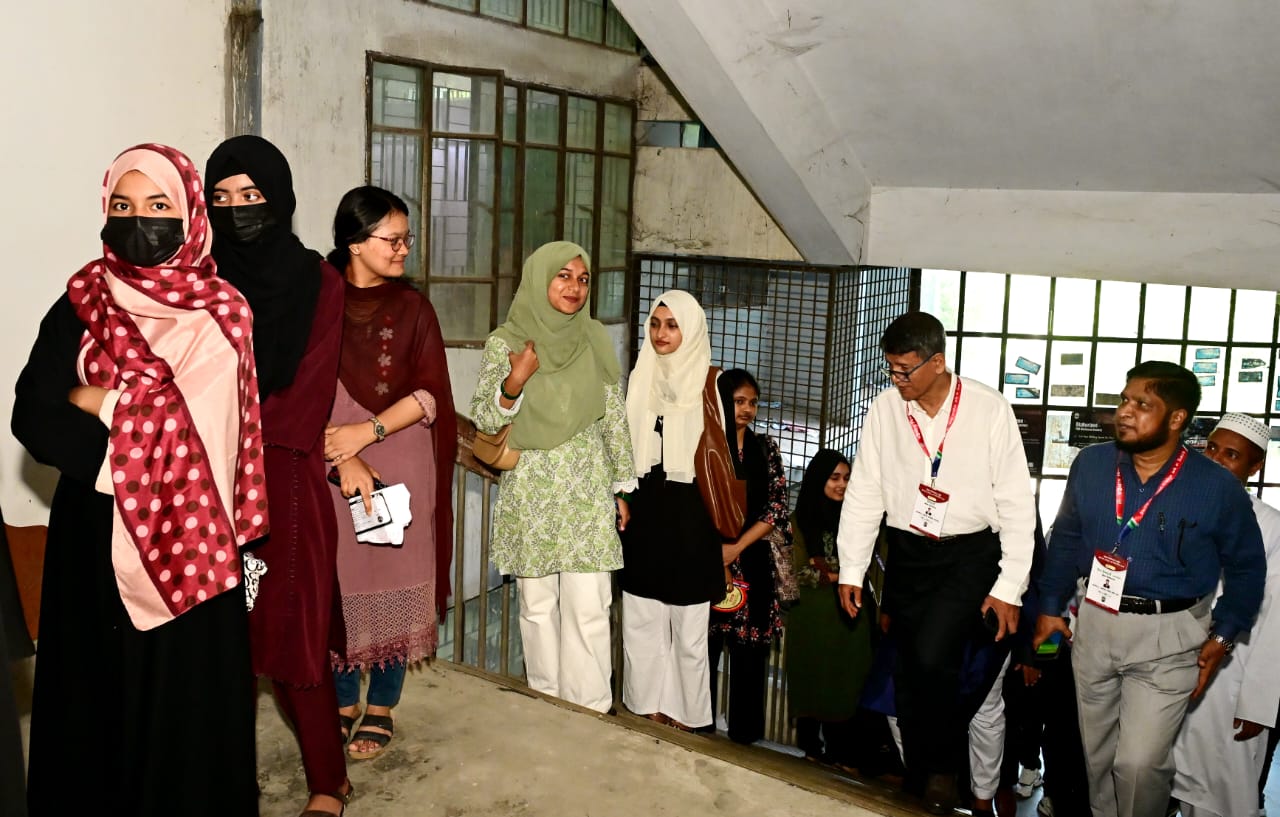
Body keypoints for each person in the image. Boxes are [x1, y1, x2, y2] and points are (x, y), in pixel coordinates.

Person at [12, 143, 268, 816]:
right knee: (93, 703)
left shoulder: (223, 313)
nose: (138, 221)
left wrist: (98, 400)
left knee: (183, 708)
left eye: (157, 205)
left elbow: (203, 429)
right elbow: (32, 411)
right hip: (93, 531)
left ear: (188, 213)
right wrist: (134, 429)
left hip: (192, 535)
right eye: (122, 206)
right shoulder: (81, 300)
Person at [1033, 361, 1267, 817]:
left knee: (1139, 764)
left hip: (1170, 636)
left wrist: (1224, 635)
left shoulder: (1216, 487)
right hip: (1096, 624)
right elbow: (1066, 539)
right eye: (1125, 399)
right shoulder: (1091, 464)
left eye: (1142, 404)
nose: (1125, 411)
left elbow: (1247, 569)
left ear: (1177, 418)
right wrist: (1049, 607)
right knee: (1098, 758)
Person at [835, 310, 1037, 814]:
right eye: (890, 368)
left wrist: (1009, 586)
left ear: (938, 362)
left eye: (905, 369)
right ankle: (921, 770)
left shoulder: (988, 409)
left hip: (969, 554)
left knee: (933, 657)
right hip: (908, 552)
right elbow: (865, 492)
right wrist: (852, 568)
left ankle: (943, 772)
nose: (896, 378)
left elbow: (1016, 501)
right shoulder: (885, 409)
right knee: (907, 668)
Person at [205, 135, 350, 815]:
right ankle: (225, 778)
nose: (237, 209)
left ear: (280, 198)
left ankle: (328, 779)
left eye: (251, 195)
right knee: (216, 645)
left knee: (293, 635)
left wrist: (235, 435)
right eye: (222, 197)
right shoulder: (200, 281)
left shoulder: (319, 282)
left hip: (283, 479)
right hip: (202, 482)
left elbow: (307, 395)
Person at [322, 186, 457, 759]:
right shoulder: (317, 302)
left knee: (395, 576)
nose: (404, 249)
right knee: (338, 577)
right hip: (328, 456)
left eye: (407, 239)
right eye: (393, 239)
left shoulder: (413, 309)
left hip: (401, 454)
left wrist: (367, 432)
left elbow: (430, 393)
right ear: (355, 243)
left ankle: (381, 705)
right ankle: (341, 700)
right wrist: (343, 449)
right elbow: (294, 385)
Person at [469, 240, 633, 713]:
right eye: (563, 275)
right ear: (540, 278)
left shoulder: (594, 338)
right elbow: (485, 418)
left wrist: (622, 486)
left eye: (583, 279)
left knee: (590, 607)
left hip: (586, 489)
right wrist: (515, 379)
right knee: (538, 608)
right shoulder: (506, 343)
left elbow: (613, 416)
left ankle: (591, 710)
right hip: (532, 489)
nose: (574, 287)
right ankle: (547, 706)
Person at [620, 290, 724, 731]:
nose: (661, 333)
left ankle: (688, 714)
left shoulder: (713, 384)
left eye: (673, 325)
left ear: (692, 329)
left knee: (688, 627)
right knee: (641, 617)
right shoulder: (640, 376)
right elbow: (623, 448)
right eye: (656, 324)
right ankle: (645, 704)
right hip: (645, 510)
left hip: (693, 514)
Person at [1172, 413, 1280, 817]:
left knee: (1220, 798)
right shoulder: (1177, 509)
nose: (1216, 459)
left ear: (1255, 467)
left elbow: (1275, 626)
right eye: (1212, 448)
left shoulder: (1272, 527)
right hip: (1169, 675)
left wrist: (1257, 706)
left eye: (1231, 455)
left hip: (1231, 685)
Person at [707, 368, 791, 744]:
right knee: (702, 649)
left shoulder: (765, 449)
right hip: (709, 559)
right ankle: (697, 723)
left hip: (753, 558)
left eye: (753, 402)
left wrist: (736, 548)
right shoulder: (706, 446)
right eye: (738, 401)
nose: (747, 409)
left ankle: (744, 739)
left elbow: (776, 508)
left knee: (750, 653)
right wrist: (718, 554)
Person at [785, 448, 874, 766]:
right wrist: (843, 574)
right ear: (817, 479)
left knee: (847, 680)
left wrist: (834, 573)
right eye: (834, 478)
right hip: (810, 616)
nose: (842, 485)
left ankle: (843, 754)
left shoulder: (856, 520)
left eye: (847, 478)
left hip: (849, 616)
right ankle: (812, 748)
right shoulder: (797, 523)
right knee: (812, 677)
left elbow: (868, 565)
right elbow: (795, 573)